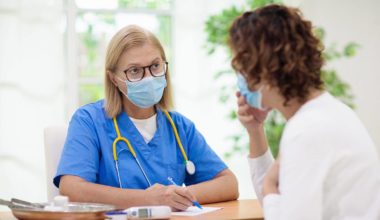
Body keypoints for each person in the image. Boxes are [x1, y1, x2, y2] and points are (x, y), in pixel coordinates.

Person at [54, 25, 239, 210]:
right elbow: (72, 188)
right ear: (114, 79)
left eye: (155, 66)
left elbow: (228, 184)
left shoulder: (179, 126)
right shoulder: (89, 121)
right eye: (134, 70)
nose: (149, 77)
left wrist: (174, 197)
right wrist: (149, 199)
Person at [228, 4, 380, 220]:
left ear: (263, 69)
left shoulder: (308, 130)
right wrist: (255, 130)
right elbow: (281, 203)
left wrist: (271, 189)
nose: (240, 77)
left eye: (241, 66)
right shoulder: (327, 113)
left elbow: (277, 201)